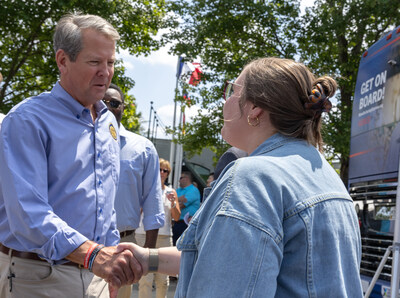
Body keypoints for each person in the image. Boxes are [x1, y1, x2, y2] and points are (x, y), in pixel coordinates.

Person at [118, 57, 363, 297]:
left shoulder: (252, 177)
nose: (225, 102)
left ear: (255, 108)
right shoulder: (326, 176)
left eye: (232, 91)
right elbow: (226, 261)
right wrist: (146, 258)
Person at [0, 14, 141, 298]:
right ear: (62, 61)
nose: (106, 72)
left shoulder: (107, 123)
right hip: (39, 278)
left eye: (110, 62)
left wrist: (109, 260)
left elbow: (105, 205)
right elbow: (28, 216)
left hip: (96, 276)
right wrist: (94, 256)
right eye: (94, 62)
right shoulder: (28, 120)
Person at [102, 83, 165, 298]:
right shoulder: (75, 141)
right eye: (102, 102)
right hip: (81, 243)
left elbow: (153, 200)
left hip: (123, 246)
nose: (108, 107)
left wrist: (148, 251)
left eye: (114, 103)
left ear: (122, 108)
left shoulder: (142, 148)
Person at [135, 158, 180, 298]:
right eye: (159, 169)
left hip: (165, 236)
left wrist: (173, 202)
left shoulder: (171, 192)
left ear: (168, 174)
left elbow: (177, 217)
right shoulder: (144, 189)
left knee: (163, 280)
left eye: (165, 170)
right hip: (143, 234)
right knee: (145, 279)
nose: (161, 172)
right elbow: (136, 213)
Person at [172, 171, 200, 245]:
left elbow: (181, 205)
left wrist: (175, 200)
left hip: (187, 224)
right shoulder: (178, 190)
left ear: (186, 179)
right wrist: (179, 199)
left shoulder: (193, 190)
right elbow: (172, 203)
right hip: (177, 223)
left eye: (181, 178)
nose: (179, 180)